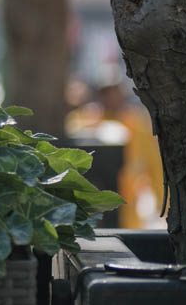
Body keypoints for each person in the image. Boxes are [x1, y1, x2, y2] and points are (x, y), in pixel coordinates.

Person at [67, 77, 164, 229]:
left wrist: (161, 198)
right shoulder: (88, 119)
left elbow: (153, 161)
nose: (111, 98)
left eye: (114, 93)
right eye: (106, 93)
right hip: (97, 192)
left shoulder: (135, 121)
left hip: (128, 191)